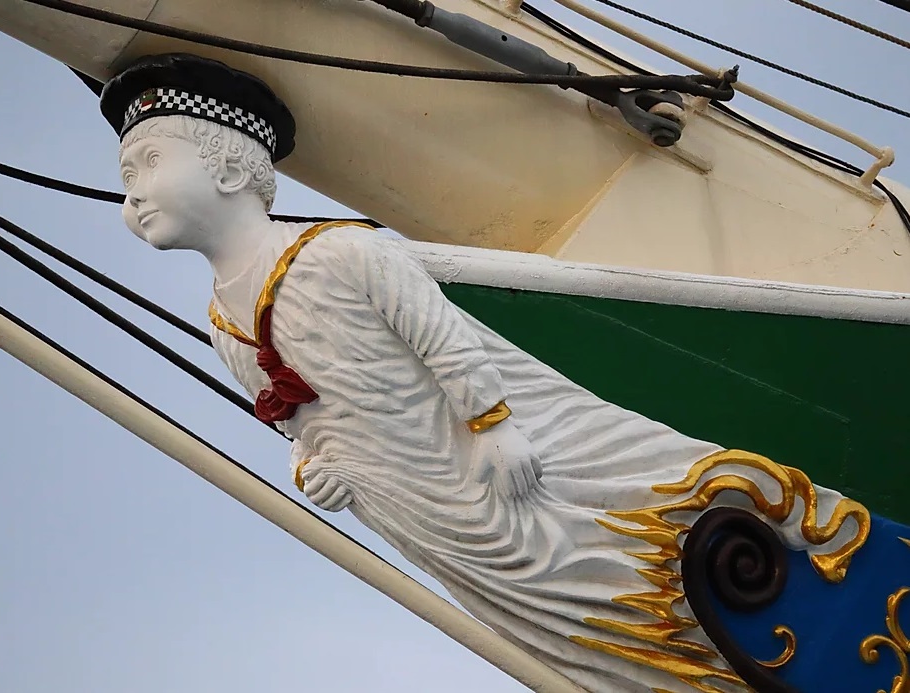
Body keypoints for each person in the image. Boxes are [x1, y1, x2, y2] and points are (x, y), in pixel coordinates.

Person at [101, 53, 864, 693]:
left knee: (594, 550)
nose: (130, 191)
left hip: (490, 460)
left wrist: (495, 425)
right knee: (551, 614)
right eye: (126, 172)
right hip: (422, 510)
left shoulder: (339, 253)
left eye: (147, 162)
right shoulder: (223, 325)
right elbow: (303, 422)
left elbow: (442, 338)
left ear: (230, 165)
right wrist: (314, 472)